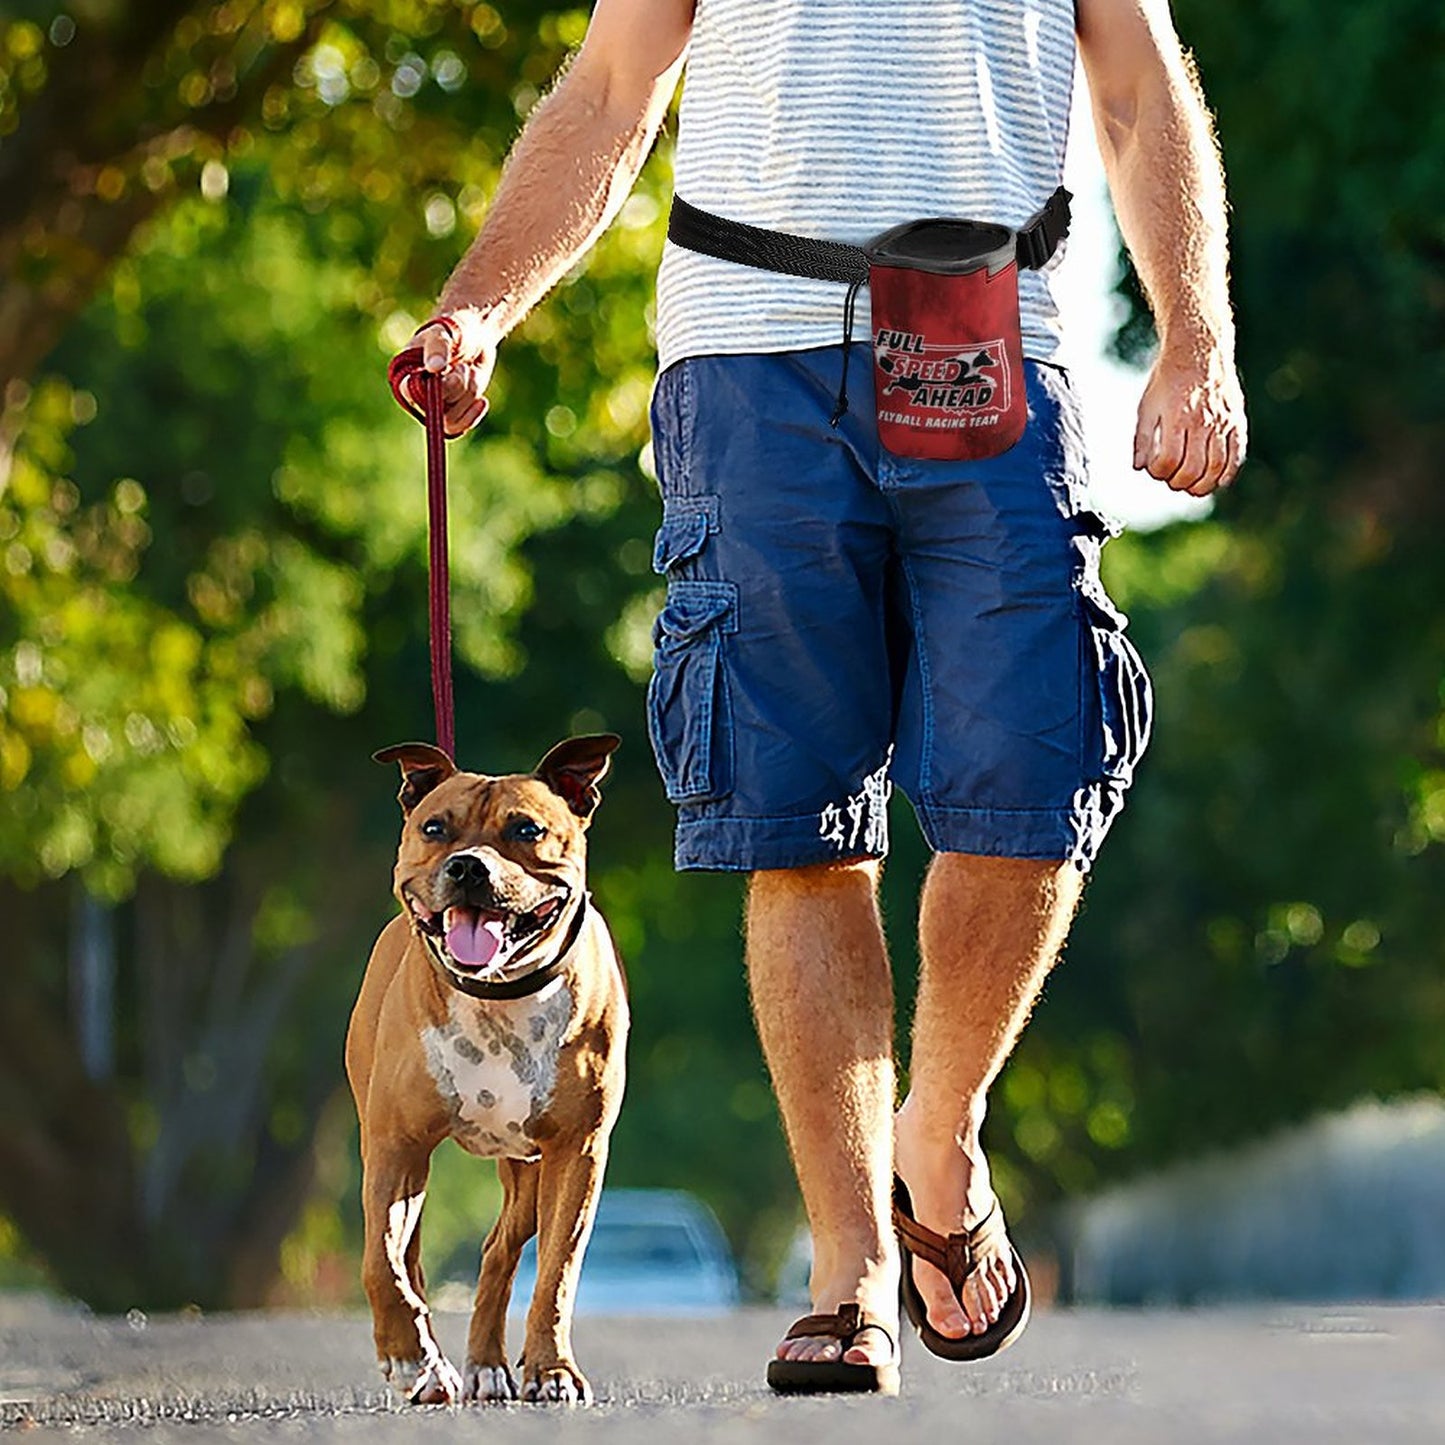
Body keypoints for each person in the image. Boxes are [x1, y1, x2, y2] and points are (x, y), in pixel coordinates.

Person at [399, 0, 1246, 1394]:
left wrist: (1193, 338)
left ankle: (939, 1134)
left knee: (1029, 781)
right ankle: (850, 1268)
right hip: (749, 359)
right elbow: (614, 87)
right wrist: (480, 303)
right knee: (798, 829)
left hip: (986, 329)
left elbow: (1143, 92)